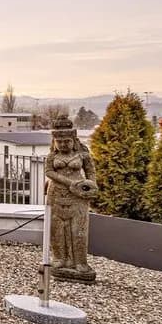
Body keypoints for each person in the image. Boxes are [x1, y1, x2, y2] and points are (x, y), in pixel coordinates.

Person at [45, 118, 98, 282]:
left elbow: (91, 173)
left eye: (66, 141)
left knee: (78, 229)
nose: (62, 145)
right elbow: (49, 172)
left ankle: (80, 262)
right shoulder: (52, 155)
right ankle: (60, 259)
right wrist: (70, 183)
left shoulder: (82, 154)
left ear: (74, 140)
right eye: (58, 141)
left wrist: (91, 187)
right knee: (56, 229)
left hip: (78, 196)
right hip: (56, 194)